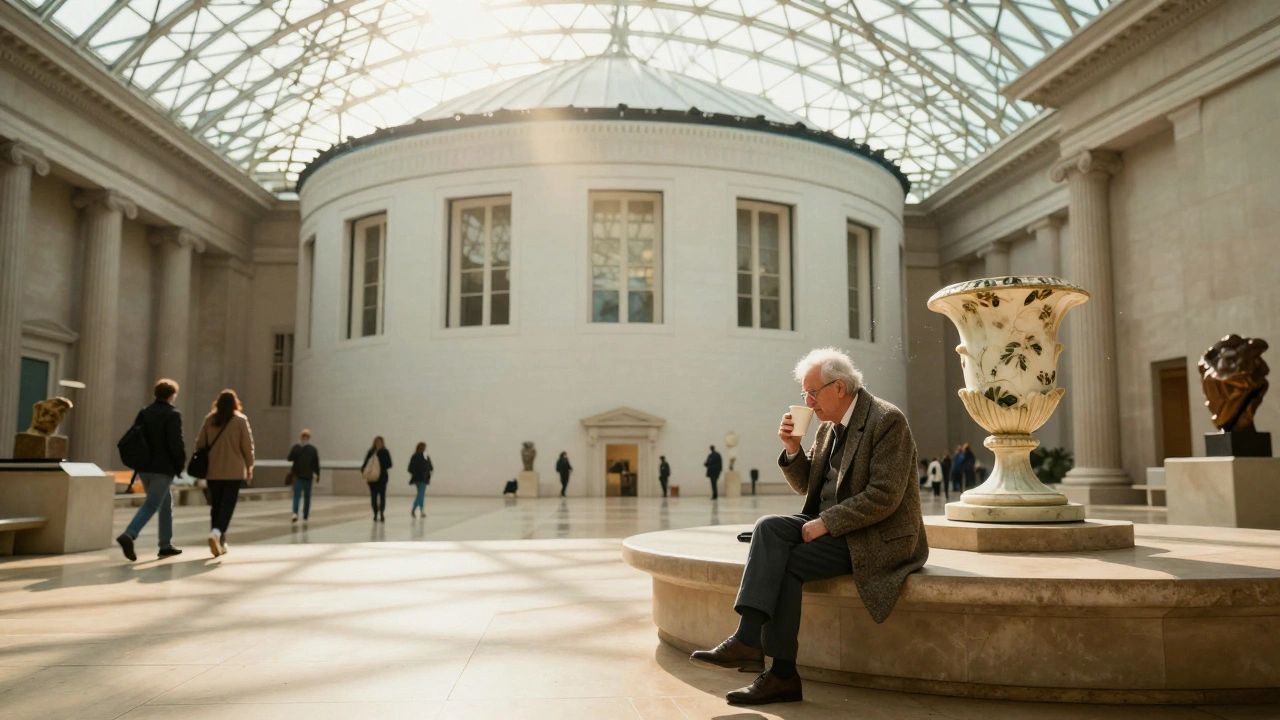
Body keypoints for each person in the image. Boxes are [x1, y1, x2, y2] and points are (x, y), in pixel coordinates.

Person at [689, 347, 928, 705]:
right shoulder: (826, 429)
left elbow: (885, 496)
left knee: (788, 564)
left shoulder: (886, 420)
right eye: (805, 394)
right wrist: (792, 449)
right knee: (768, 526)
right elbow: (808, 486)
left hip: (875, 535)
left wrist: (826, 523)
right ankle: (750, 639)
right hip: (837, 526)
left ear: (840, 388)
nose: (808, 402)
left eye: (812, 393)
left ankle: (780, 674)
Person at [116, 379, 186, 561]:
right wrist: (180, 466)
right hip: (162, 469)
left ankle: (165, 545)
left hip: (144, 467)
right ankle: (129, 534)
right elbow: (176, 444)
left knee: (165, 504)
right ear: (172, 395)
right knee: (152, 504)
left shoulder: (145, 412)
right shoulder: (172, 414)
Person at [197, 389, 254, 557]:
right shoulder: (240, 421)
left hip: (213, 471)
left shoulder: (209, 420)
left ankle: (219, 541)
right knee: (228, 505)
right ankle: (216, 533)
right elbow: (247, 447)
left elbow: (199, 444)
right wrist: (250, 467)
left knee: (216, 506)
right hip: (234, 471)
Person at [287, 429, 321, 522]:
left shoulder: (296, 448)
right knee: (307, 496)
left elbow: (289, 458)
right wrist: (317, 474)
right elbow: (315, 463)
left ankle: (295, 513)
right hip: (308, 476)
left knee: (297, 495)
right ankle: (305, 515)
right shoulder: (312, 449)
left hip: (298, 475)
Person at [363, 436, 392, 521]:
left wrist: (380, 464)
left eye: (379, 442)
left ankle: (382, 512)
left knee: (382, 496)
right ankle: (375, 513)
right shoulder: (371, 452)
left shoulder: (385, 452)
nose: (378, 444)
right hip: (373, 478)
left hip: (382, 477)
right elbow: (366, 464)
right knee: (374, 496)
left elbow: (389, 464)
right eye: (376, 442)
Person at [408, 442, 433, 517]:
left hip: (416, 478)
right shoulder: (425, 455)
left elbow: (410, 468)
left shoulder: (414, 456)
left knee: (421, 494)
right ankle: (414, 509)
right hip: (423, 478)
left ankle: (422, 511)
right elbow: (429, 466)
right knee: (421, 494)